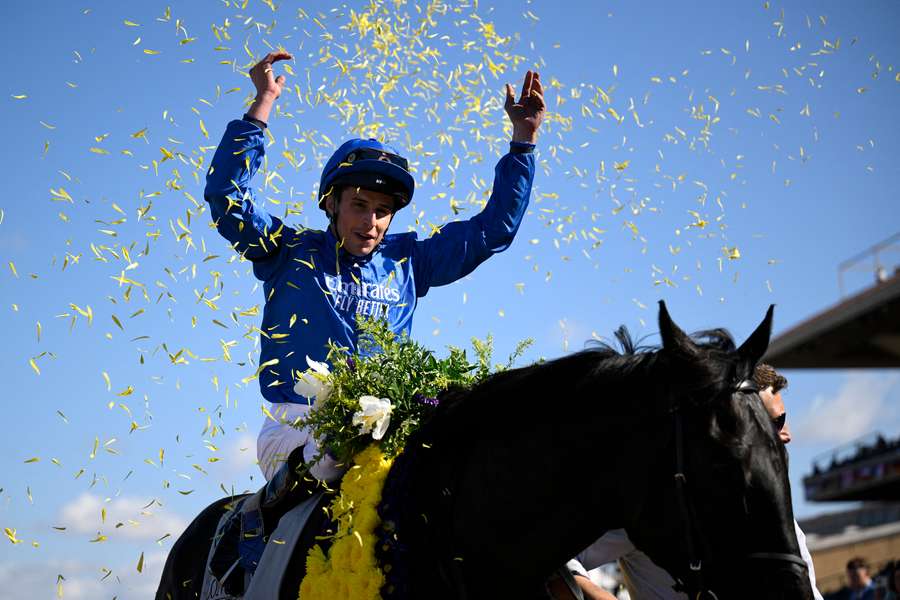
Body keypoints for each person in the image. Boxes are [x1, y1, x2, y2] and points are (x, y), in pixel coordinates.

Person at [205, 50, 544, 482]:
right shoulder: (286, 250)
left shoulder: (409, 262)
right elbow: (227, 200)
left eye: (383, 211)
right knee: (341, 448)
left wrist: (523, 141)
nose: (371, 222)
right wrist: (262, 105)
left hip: (383, 426)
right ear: (331, 204)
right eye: (359, 205)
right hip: (297, 428)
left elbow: (492, 231)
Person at [561, 363, 823, 600]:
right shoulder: (655, 503)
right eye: (775, 423)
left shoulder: (773, 519)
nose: (785, 435)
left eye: (783, 420)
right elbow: (558, 558)